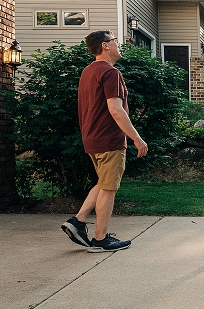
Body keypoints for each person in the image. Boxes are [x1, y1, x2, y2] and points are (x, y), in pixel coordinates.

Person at [61, 30, 148, 252]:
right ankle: (100, 240)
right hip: (109, 140)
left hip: (92, 138)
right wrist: (137, 139)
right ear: (105, 46)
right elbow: (116, 110)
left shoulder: (88, 72)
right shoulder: (111, 73)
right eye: (114, 41)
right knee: (109, 188)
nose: (118, 44)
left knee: (103, 182)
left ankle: (78, 221)